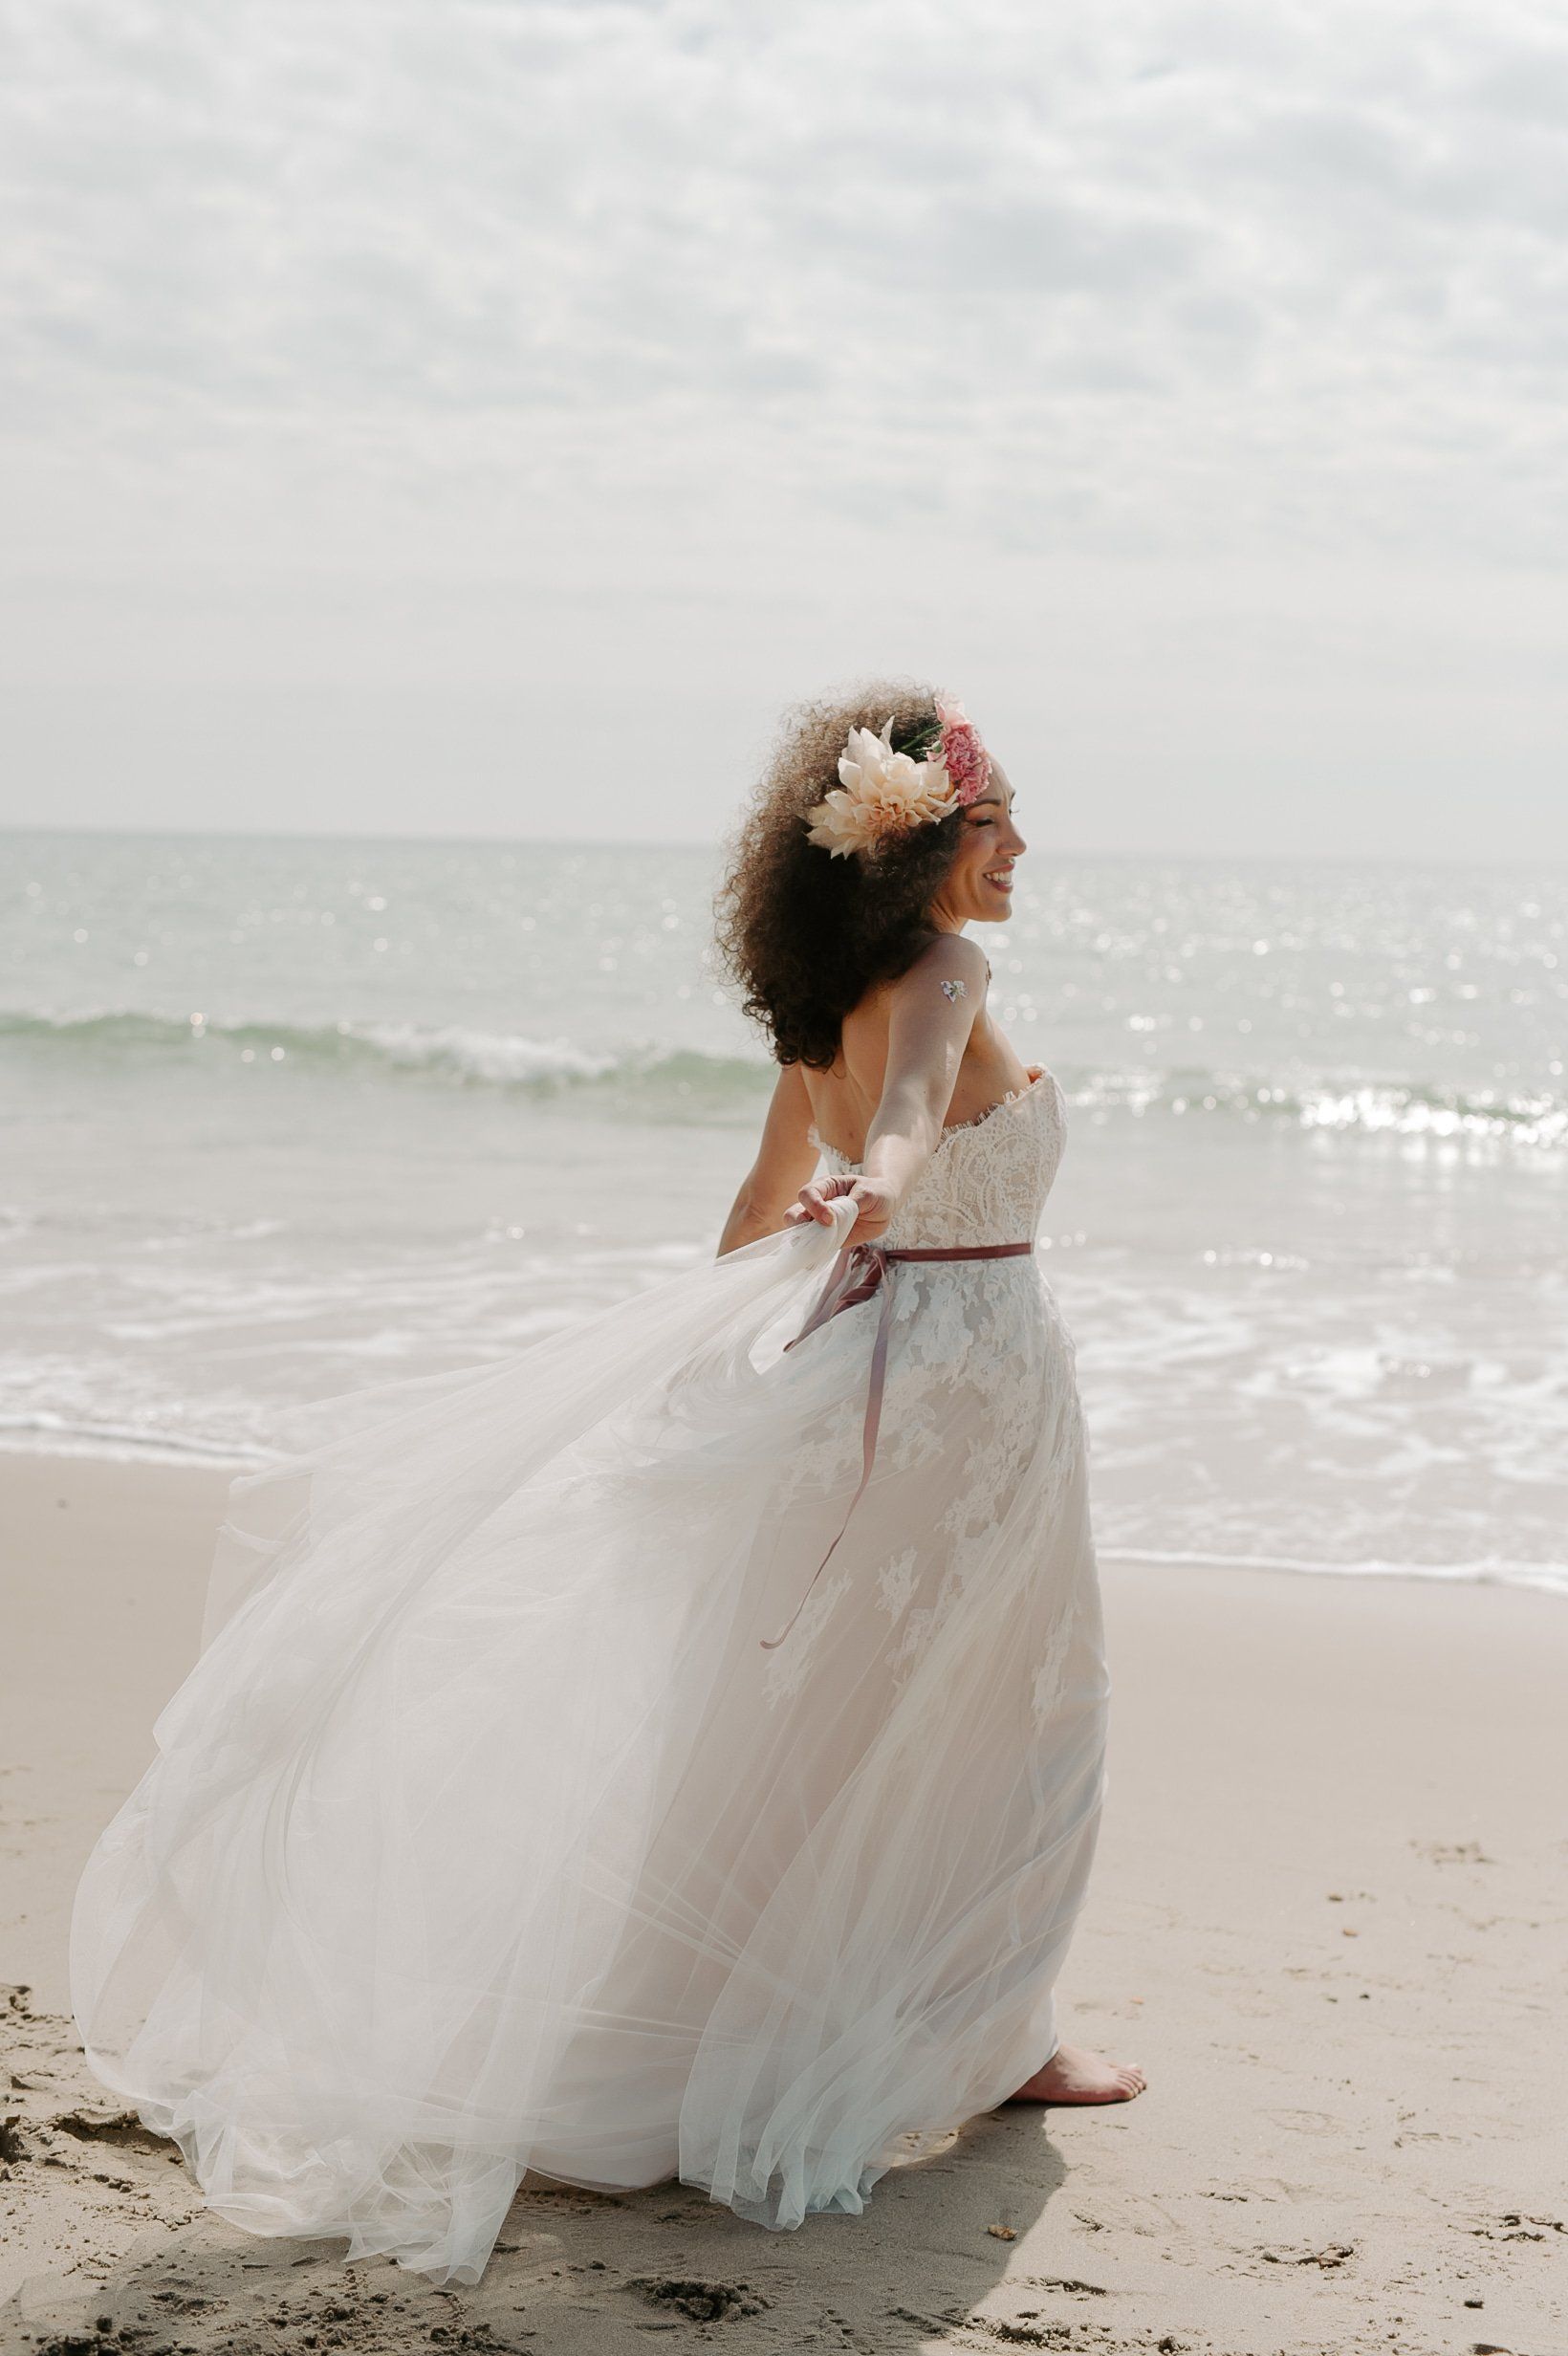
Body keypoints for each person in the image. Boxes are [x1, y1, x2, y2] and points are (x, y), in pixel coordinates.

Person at [70, 682, 1143, 2290]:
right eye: (998, 824)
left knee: (837, 1721)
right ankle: (996, 2039)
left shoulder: (818, 1004)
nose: (1023, 850)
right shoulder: (946, 971)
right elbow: (911, 1122)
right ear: (919, 850)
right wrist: (877, 1208)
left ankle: (894, 2027)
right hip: (961, 1397)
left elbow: (753, 1209)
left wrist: (784, 1299)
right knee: (1021, 1713)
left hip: (882, 1378)